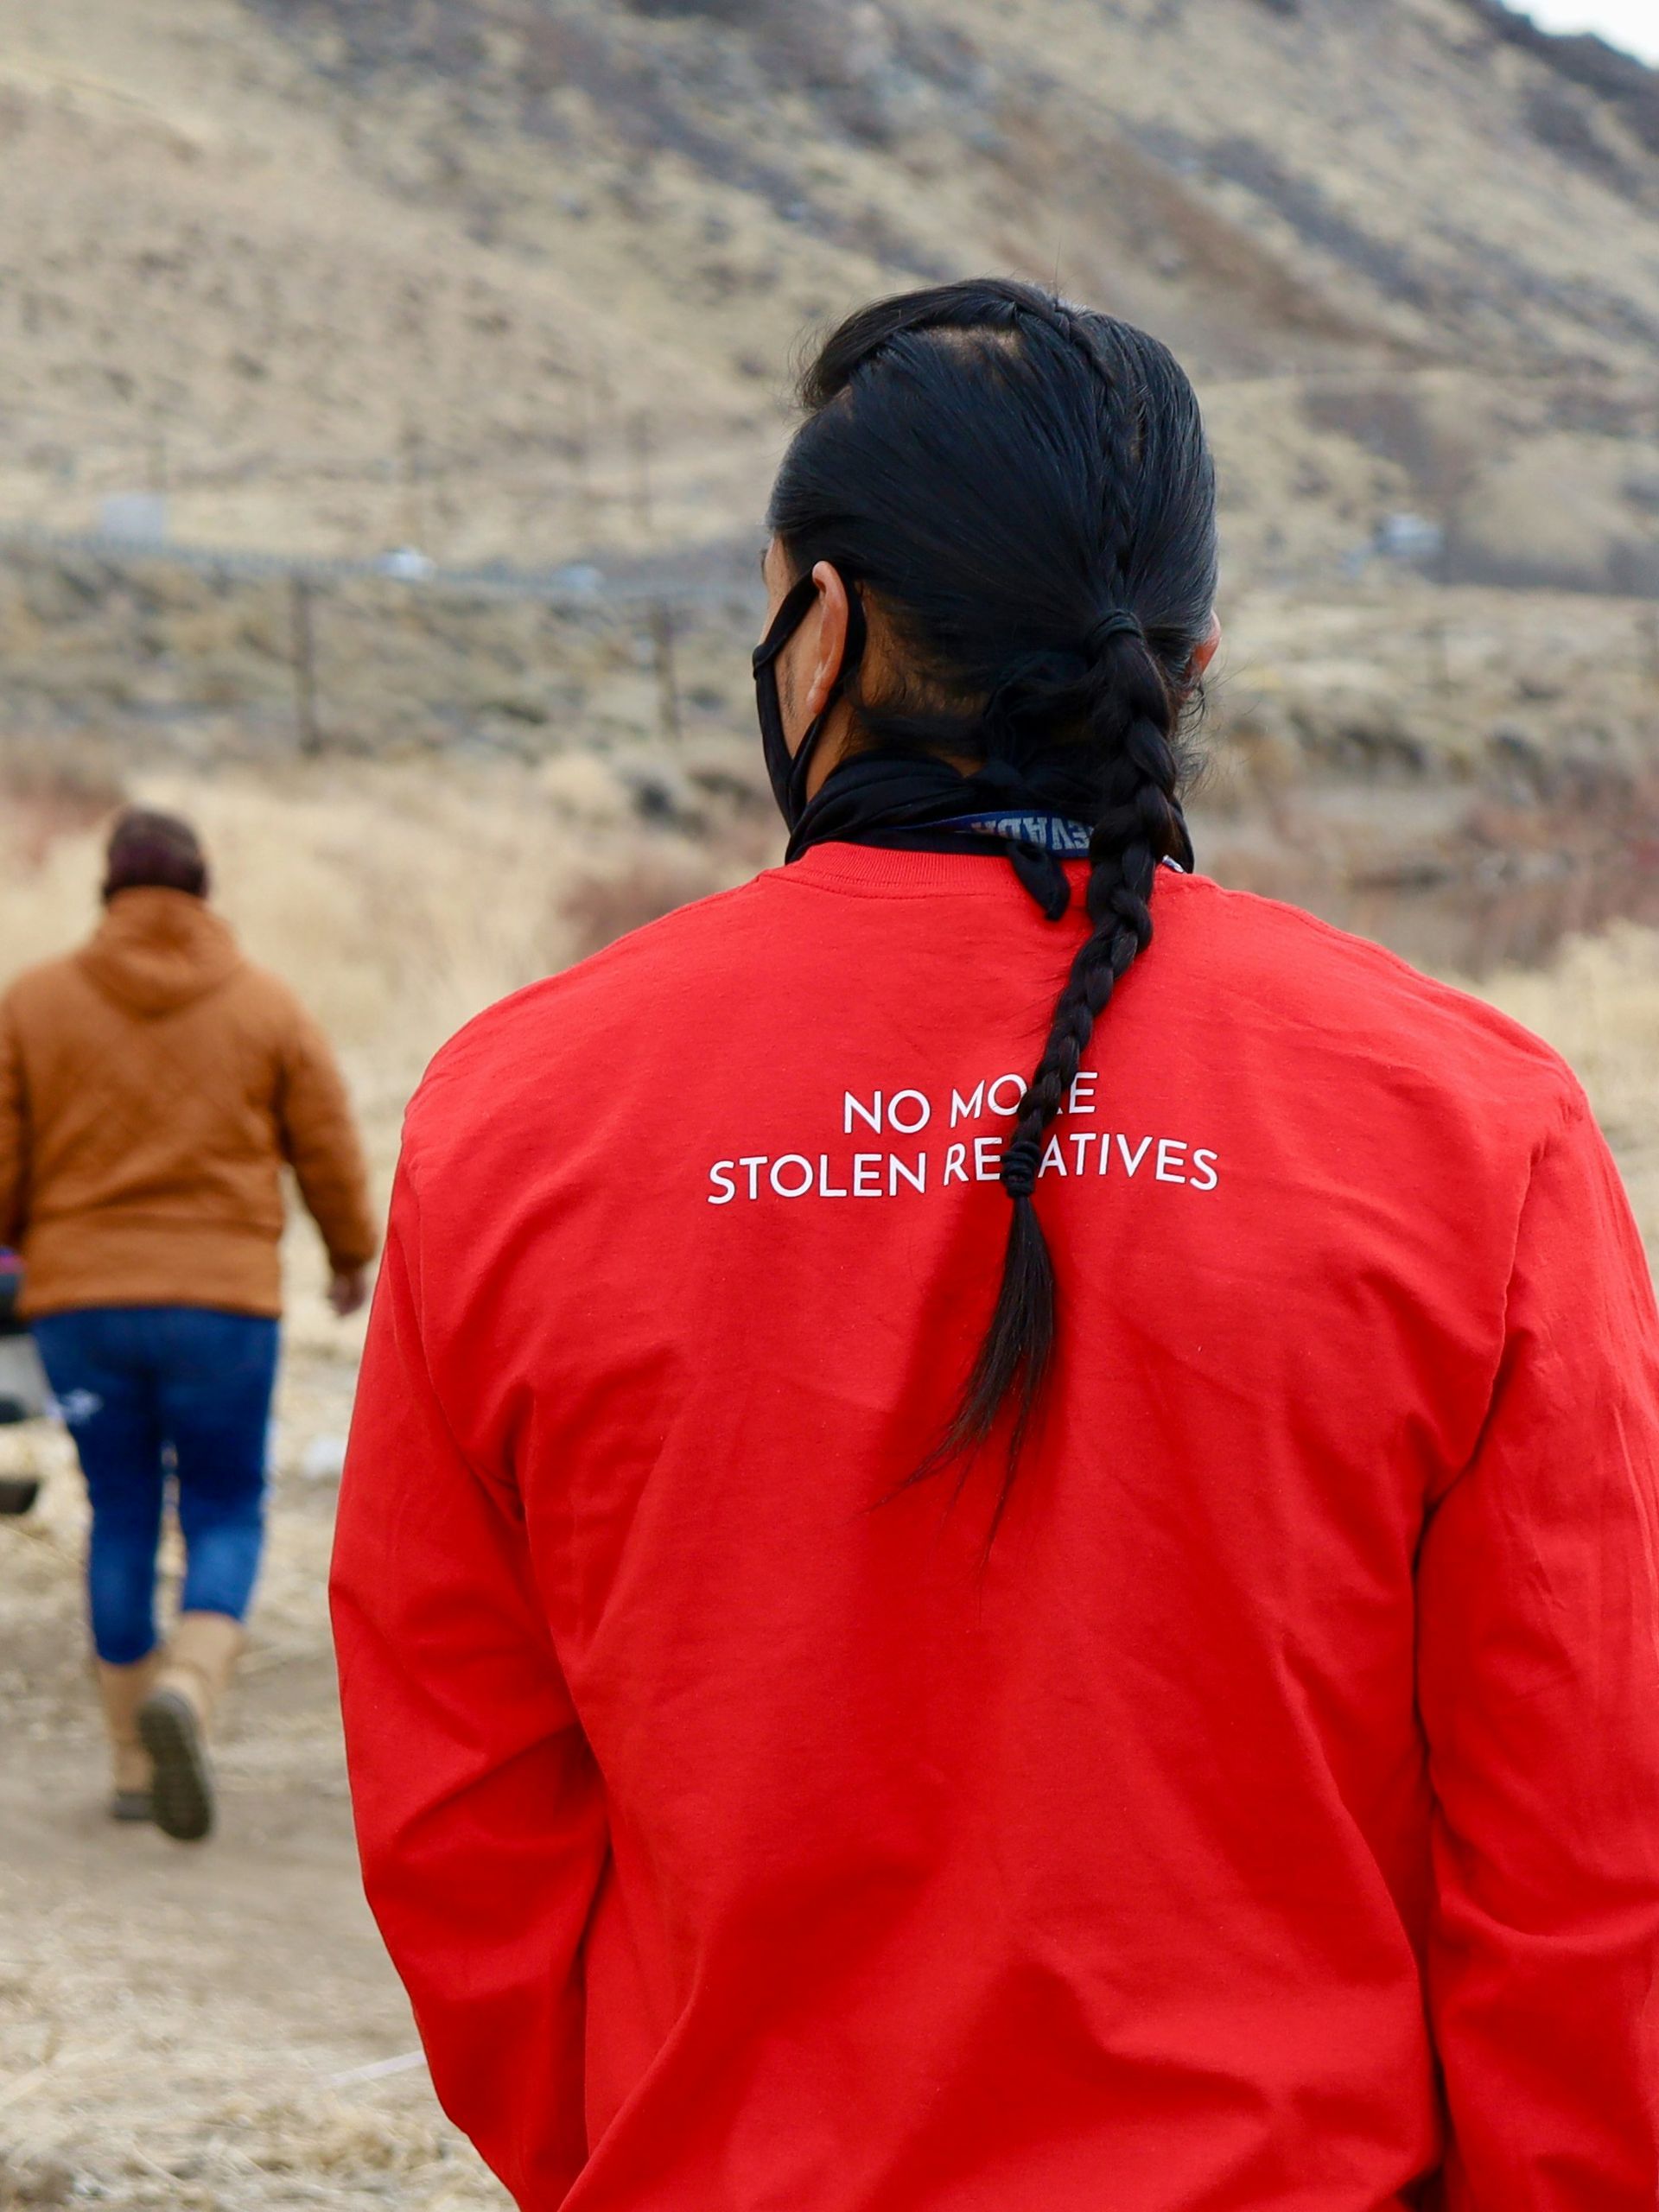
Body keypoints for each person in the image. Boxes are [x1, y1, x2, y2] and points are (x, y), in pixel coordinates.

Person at [332, 282, 1659, 2209]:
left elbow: (459, 1814)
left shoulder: (516, 1115)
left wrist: (654, 2148)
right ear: (1192, 655)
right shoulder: (1479, 1126)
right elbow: (1589, 1850)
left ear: (824, 628)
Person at [0, 806, 377, 1841]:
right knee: (222, 1505)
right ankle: (193, 1692)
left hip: (80, 1306)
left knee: (119, 1510)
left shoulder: (34, 1004)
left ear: (108, 893)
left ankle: (129, 1758)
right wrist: (350, 1256)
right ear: (204, 890)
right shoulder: (266, 1005)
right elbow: (329, 1144)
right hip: (223, 1304)